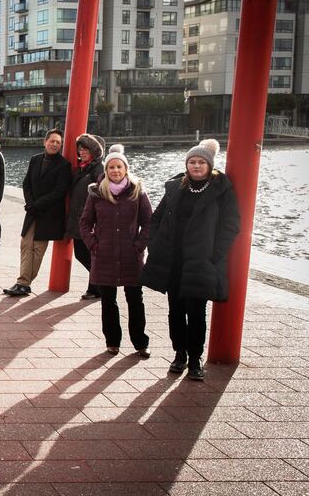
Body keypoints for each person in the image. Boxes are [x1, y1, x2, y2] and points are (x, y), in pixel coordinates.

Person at [142, 139, 240, 381]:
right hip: (173, 260)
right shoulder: (176, 187)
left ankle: (195, 359)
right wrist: (154, 243)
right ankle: (179, 354)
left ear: (209, 165)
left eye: (201, 162)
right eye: (192, 162)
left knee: (196, 312)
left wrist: (214, 255)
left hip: (201, 261)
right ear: (187, 165)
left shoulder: (220, 190)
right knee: (175, 310)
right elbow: (156, 218)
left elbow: (231, 225)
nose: (196, 166)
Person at [79, 144, 152, 356]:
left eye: (119, 166)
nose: (115, 171)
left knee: (135, 299)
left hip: (131, 255)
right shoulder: (96, 193)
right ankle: (112, 341)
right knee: (108, 301)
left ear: (126, 169)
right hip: (104, 255)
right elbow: (84, 222)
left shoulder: (138, 191)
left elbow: (149, 221)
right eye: (111, 167)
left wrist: (139, 245)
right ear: (106, 170)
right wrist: (94, 245)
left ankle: (140, 342)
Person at [3, 128, 71, 297]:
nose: (54, 144)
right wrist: (30, 203)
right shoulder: (35, 159)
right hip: (33, 211)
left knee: (38, 249)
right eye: (52, 141)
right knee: (25, 245)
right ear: (45, 142)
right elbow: (26, 183)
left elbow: (59, 192)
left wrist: (37, 204)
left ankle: (24, 283)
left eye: (58, 142)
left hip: (49, 214)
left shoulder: (64, 165)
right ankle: (23, 282)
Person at [67, 133, 105, 300]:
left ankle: (99, 285)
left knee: (86, 254)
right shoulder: (82, 167)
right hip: (78, 218)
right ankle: (96, 286)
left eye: (85, 149)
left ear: (94, 150)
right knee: (82, 254)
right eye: (80, 149)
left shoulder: (99, 168)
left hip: (90, 220)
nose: (82, 152)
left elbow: (103, 190)